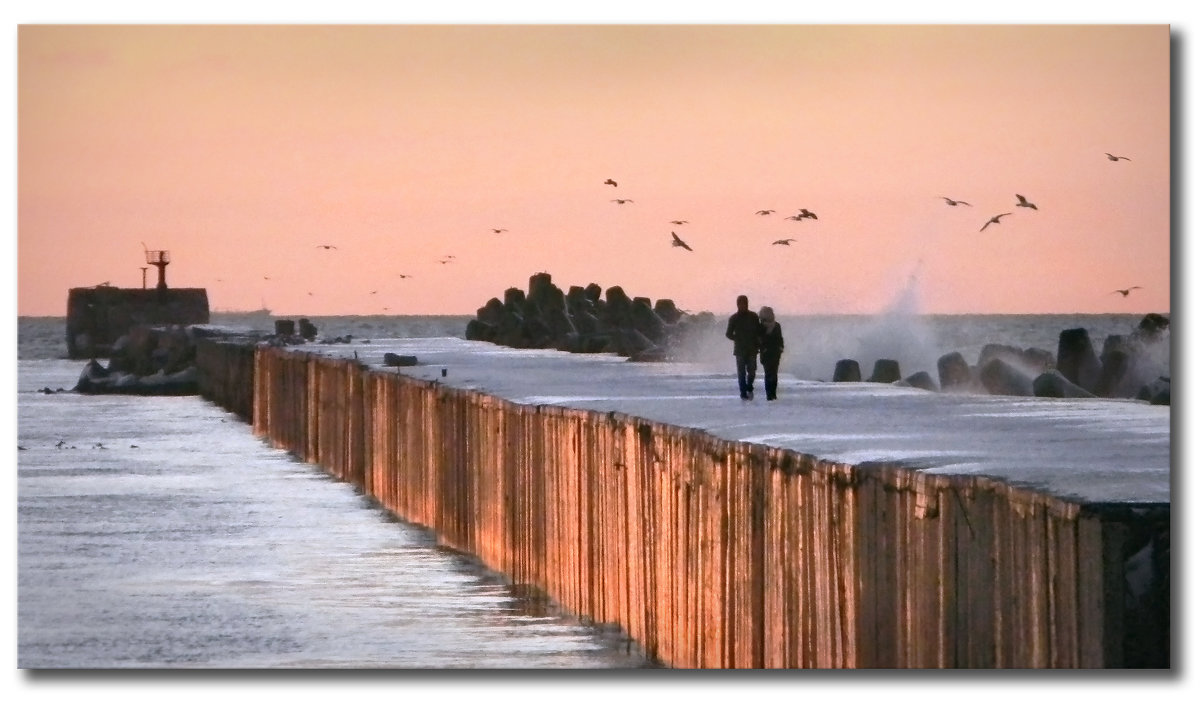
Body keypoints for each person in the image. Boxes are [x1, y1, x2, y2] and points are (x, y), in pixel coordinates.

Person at [725, 295, 760, 399]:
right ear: (737, 305)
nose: (743, 306)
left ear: (747, 304)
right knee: (741, 373)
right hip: (740, 350)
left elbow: (758, 331)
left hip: (752, 349)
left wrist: (759, 343)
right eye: (740, 304)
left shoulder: (753, 317)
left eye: (744, 303)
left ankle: (749, 387)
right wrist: (737, 338)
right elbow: (728, 334)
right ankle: (743, 393)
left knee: (752, 372)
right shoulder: (734, 318)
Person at [757, 306, 785, 401]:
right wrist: (780, 348)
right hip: (771, 352)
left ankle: (771, 394)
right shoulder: (765, 326)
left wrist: (780, 347)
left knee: (771, 373)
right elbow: (760, 339)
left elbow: (779, 339)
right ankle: (771, 394)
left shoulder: (773, 326)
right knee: (771, 373)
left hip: (771, 352)